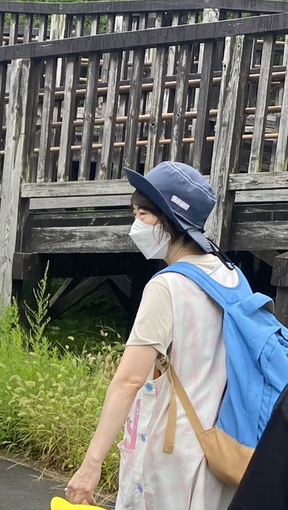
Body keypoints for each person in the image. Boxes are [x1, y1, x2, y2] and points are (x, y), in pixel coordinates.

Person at [65, 161, 238, 509]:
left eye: (143, 214)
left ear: (170, 220)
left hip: (168, 458)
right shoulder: (230, 276)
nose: (136, 225)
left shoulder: (167, 286)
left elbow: (129, 381)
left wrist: (90, 466)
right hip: (220, 449)